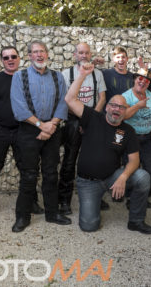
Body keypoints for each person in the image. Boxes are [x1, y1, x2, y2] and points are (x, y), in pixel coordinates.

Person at [65, 63, 151, 234]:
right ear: (106, 107)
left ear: (125, 111)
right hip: (88, 182)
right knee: (89, 226)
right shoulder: (92, 118)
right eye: (114, 105)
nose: (117, 109)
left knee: (142, 176)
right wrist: (82, 75)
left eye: (122, 107)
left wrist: (122, 178)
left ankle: (136, 221)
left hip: (111, 177)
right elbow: (69, 100)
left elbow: (134, 161)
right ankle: (95, 201)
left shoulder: (127, 130)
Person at [10, 40, 70, 232]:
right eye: (35, 52)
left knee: (51, 173)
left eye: (42, 51)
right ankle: (22, 216)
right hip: (29, 130)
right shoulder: (20, 76)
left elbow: (63, 102)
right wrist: (40, 125)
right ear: (29, 56)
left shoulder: (57, 76)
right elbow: (19, 107)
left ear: (47, 54)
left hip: (52, 129)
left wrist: (51, 124)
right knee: (28, 175)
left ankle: (52, 214)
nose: (39, 55)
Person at [0, 46, 43, 219]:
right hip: (0, 132)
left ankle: (32, 203)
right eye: (6, 58)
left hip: (24, 131)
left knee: (28, 170)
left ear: (19, 58)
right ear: (2, 61)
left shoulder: (28, 78)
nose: (10, 60)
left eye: (13, 56)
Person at [58, 42, 107, 215]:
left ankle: (95, 197)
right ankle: (64, 200)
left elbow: (102, 98)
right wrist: (81, 119)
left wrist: (92, 119)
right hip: (73, 120)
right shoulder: (66, 74)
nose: (84, 55)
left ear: (90, 54)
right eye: (80, 52)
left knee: (95, 159)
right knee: (70, 160)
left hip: (93, 119)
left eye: (86, 53)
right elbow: (66, 100)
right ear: (75, 55)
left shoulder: (98, 73)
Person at [122, 68, 151, 202]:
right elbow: (123, 116)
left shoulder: (150, 95)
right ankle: (130, 197)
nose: (143, 82)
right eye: (140, 79)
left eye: (146, 80)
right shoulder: (126, 96)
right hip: (132, 138)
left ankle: (143, 196)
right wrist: (137, 106)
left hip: (147, 137)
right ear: (135, 79)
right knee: (131, 168)